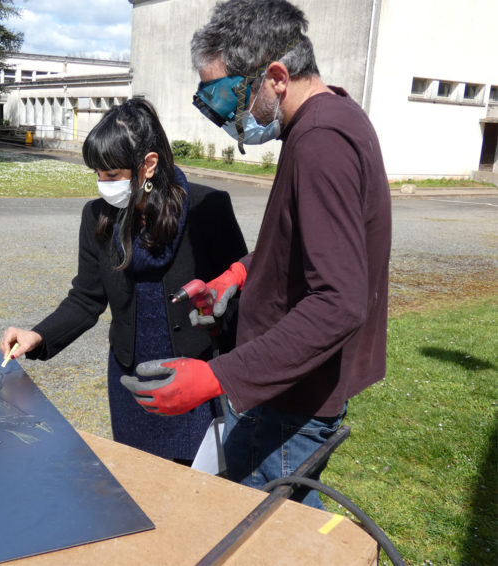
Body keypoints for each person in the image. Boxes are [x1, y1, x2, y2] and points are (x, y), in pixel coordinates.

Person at [121, 0, 391, 509]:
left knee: (264, 533)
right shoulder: (333, 115)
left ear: (276, 76)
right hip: (289, 390)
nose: (226, 116)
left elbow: (339, 300)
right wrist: (236, 275)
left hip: (290, 402)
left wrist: (217, 377)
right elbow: (307, 243)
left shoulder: (320, 140)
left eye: (228, 96)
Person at [0, 98, 248, 464]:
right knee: (139, 482)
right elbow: (86, 299)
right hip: (131, 384)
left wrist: (231, 374)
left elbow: (240, 294)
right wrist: (38, 336)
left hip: (195, 381)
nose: (103, 185)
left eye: (113, 175)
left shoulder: (206, 208)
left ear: (148, 165)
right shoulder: (97, 216)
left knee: (197, 491)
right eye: (97, 174)